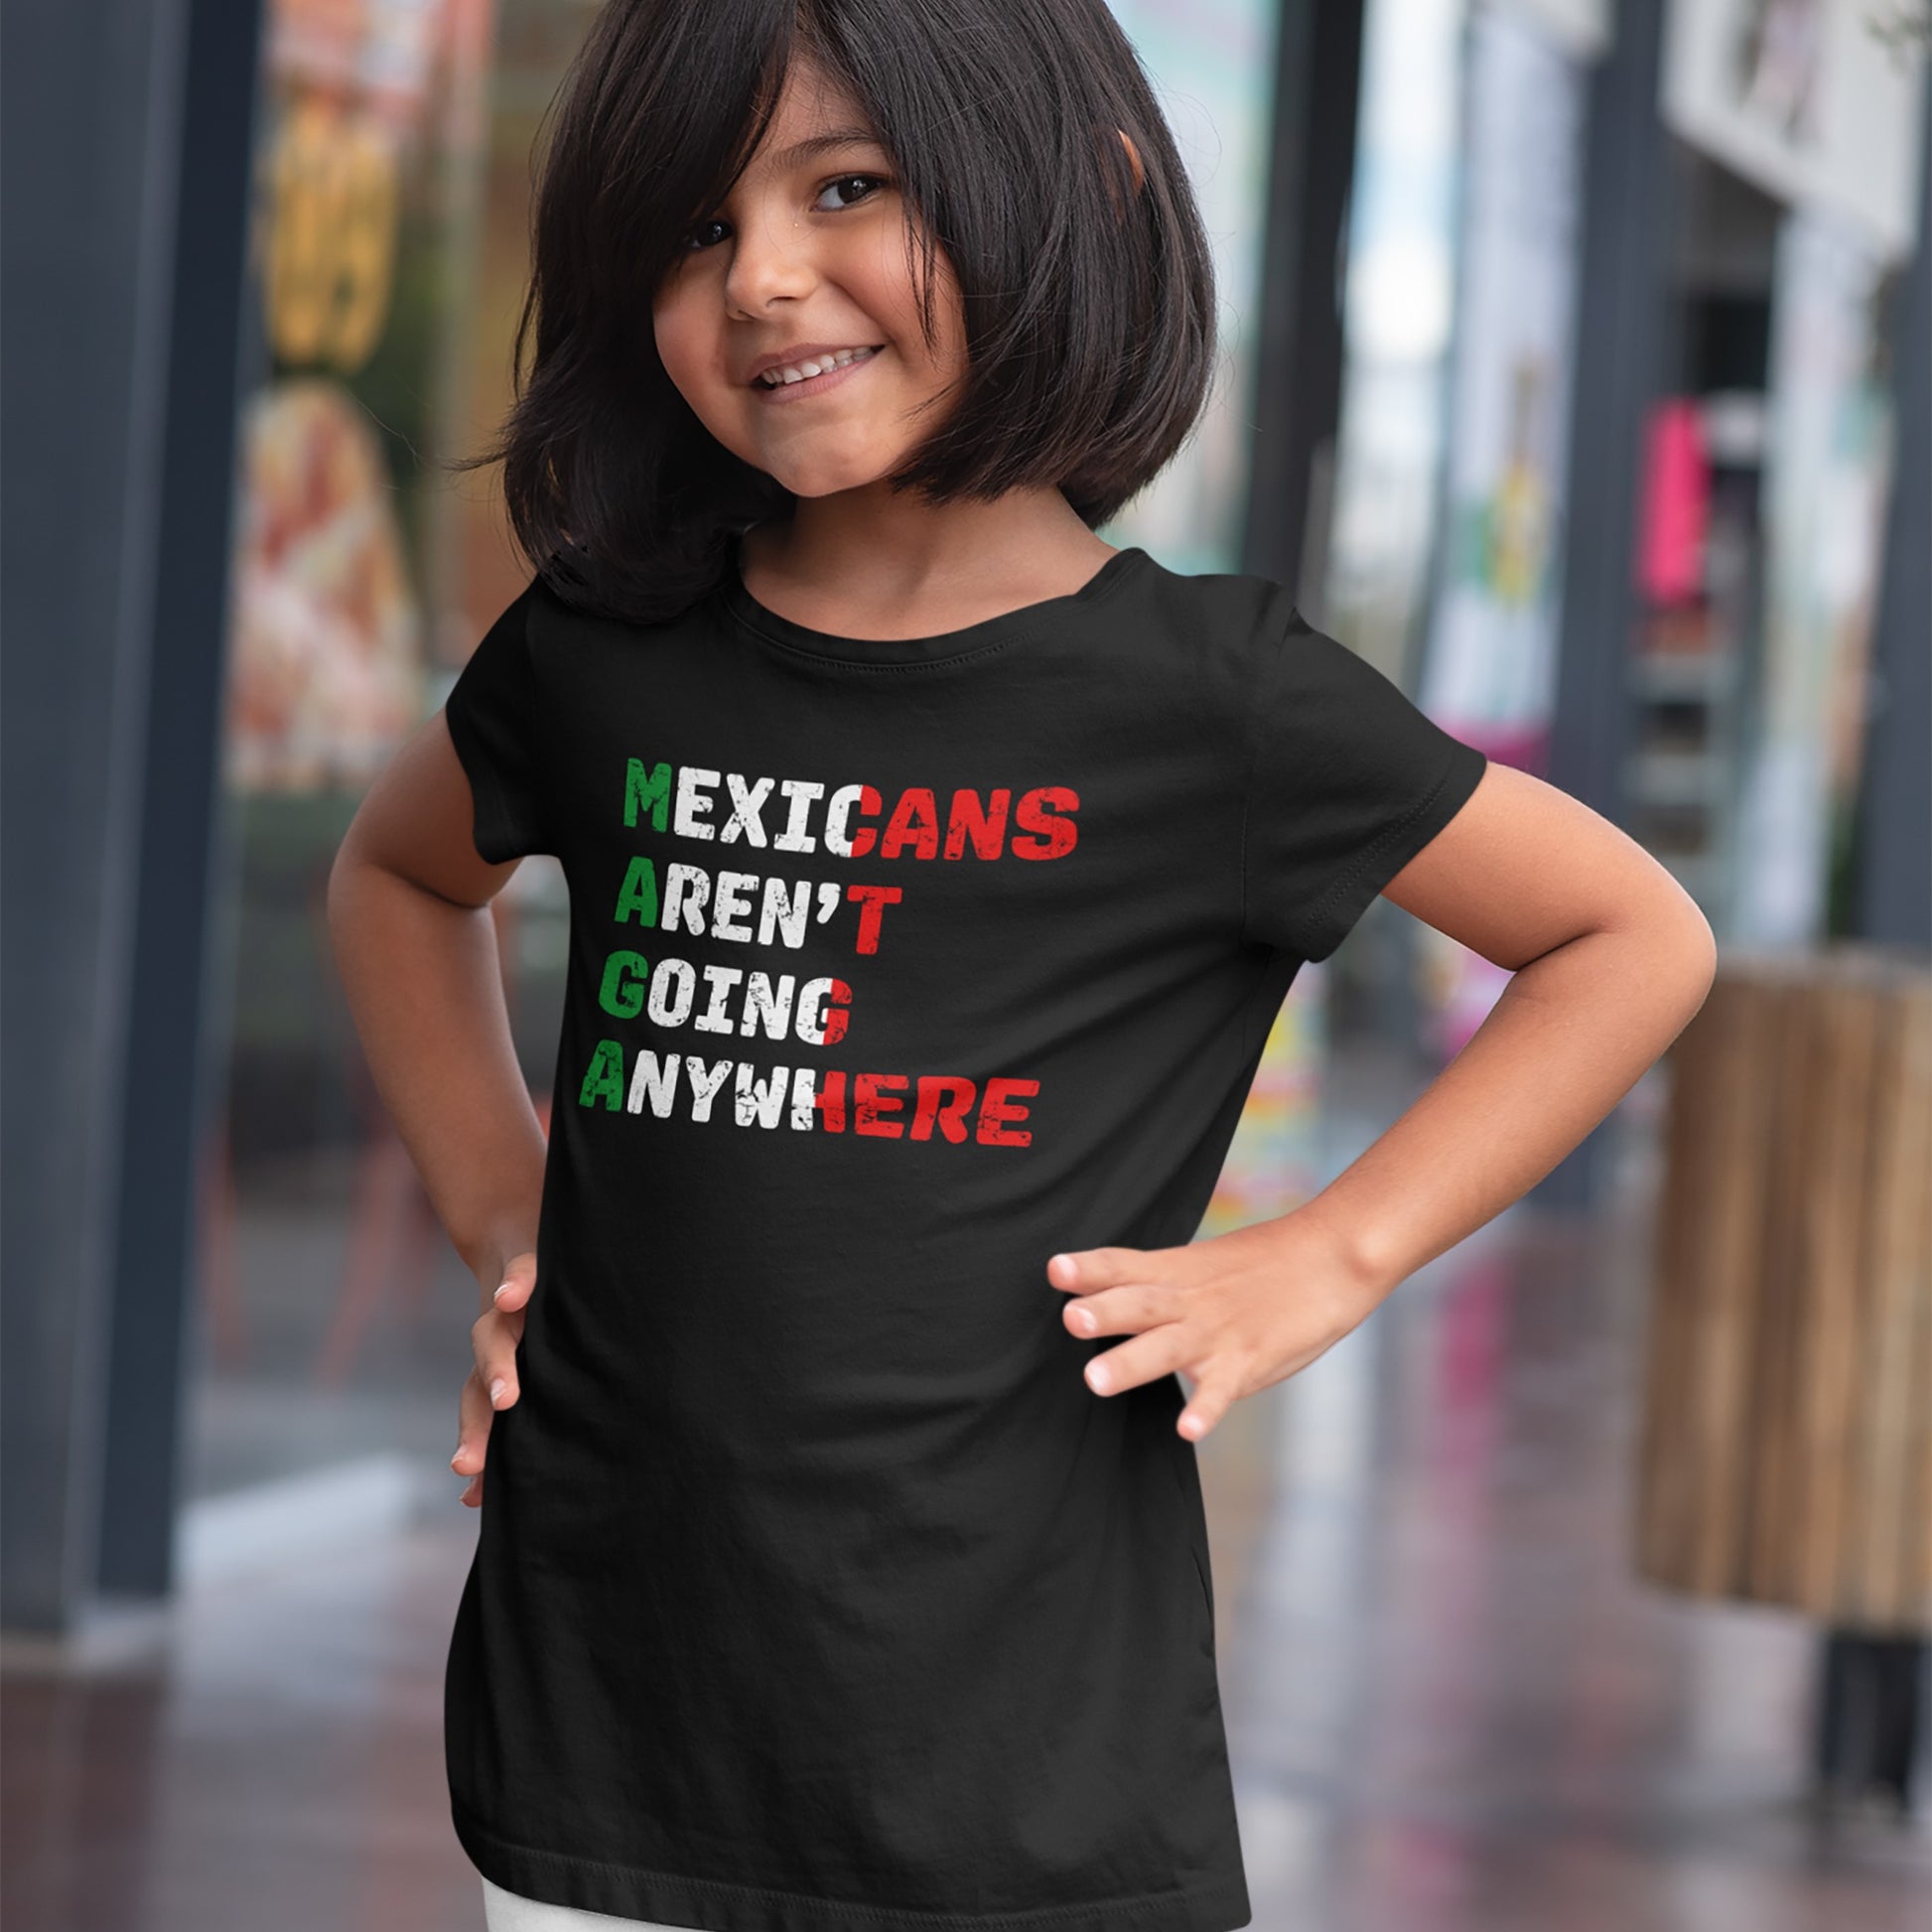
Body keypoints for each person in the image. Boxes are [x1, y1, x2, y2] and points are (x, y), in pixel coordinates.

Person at [327, 3, 1718, 1929]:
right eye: (692, 228)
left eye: (847, 187)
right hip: (601, 1742)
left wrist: (1325, 1256)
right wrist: (505, 1212)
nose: (766, 279)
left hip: (1017, 1784)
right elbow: (399, 879)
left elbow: (1627, 932)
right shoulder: (599, 653)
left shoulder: (1216, 706)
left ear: (1084, 189)